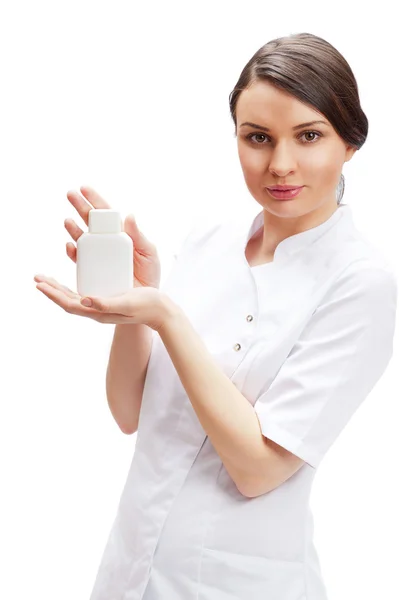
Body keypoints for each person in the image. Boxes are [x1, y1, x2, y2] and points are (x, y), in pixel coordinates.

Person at [34, 32, 397, 600]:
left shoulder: (360, 285)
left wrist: (166, 317)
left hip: (241, 584)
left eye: (309, 135)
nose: (280, 164)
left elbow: (257, 470)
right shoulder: (210, 240)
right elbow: (129, 413)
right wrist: (137, 306)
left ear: (351, 142)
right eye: (258, 137)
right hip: (131, 570)